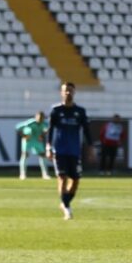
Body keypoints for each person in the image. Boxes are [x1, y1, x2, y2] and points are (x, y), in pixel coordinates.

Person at [46, 82, 92, 220]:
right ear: (61, 92)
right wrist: (48, 146)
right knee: (62, 177)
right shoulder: (55, 110)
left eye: (70, 90)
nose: (68, 93)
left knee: (76, 180)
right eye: (65, 90)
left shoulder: (80, 112)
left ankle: (64, 202)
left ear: (74, 92)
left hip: (74, 151)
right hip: (59, 150)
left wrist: (91, 148)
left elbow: (87, 131)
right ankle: (67, 209)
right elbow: (50, 130)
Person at [15, 111, 51, 180]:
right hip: (28, 140)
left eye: (42, 118)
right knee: (25, 155)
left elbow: (48, 129)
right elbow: (17, 128)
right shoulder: (30, 122)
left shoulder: (45, 123)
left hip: (37, 140)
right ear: (36, 117)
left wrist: (42, 135)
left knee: (42, 155)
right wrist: (24, 136)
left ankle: (45, 174)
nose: (40, 119)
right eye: (39, 117)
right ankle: (22, 174)